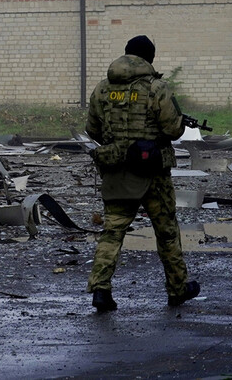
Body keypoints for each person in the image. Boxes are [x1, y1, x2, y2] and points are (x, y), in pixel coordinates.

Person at [85, 35, 200, 313]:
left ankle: (101, 289)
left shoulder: (102, 89)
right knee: (167, 232)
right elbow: (173, 129)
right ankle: (177, 288)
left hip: (117, 172)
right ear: (149, 58)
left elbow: (92, 130)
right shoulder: (157, 88)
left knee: (112, 231)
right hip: (153, 173)